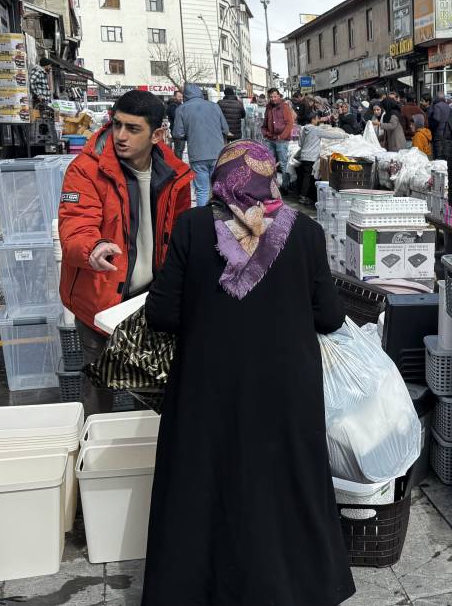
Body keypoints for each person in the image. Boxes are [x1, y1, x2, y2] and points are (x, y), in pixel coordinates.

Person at [142, 140, 355, 606]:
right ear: (269, 176)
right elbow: (330, 317)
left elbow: (160, 313)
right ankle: (295, 587)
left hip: (206, 388)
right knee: (285, 483)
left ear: (221, 179)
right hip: (286, 390)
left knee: (204, 483)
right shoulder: (305, 233)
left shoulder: (193, 228)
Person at [60, 90, 193, 414]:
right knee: (98, 384)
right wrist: (93, 247)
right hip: (99, 298)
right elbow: (75, 224)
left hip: (149, 298)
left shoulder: (175, 174)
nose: (120, 136)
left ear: (157, 134)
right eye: (117, 125)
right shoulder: (86, 169)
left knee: (150, 381)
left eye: (133, 129)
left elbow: (179, 234)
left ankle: (142, 453)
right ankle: (97, 454)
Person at [172, 84, 227, 206]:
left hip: (197, 154)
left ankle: (202, 220)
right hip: (217, 153)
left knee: (202, 190)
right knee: (218, 189)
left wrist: (190, 133)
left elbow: (177, 133)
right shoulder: (214, 106)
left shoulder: (182, 109)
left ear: (185, 95)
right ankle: (221, 218)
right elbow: (225, 128)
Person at [295, 106, 346, 205]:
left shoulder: (302, 129)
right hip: (312, 157)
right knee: (308, 178)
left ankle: (301, 195)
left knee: (304, 175)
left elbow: (300, 144)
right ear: (313, 120)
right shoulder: (316, 130)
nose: (318, 120)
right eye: (317, 118)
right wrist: (344, 136)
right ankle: (304, 197)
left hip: (304, 156)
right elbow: (330, 135)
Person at [261, 88, 295, 172]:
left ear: (279, 96)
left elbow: (289, 123)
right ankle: (272, 182)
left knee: (283, 163)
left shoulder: (284, 107)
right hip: (270, 139)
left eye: (275, 96)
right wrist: (265, 132)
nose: (273, 99)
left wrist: (281, 136)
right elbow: (265, 122)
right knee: (270, 163)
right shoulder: (268, 107)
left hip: (281, 140)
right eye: (271, 97)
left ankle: (285, 184)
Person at [429, 93, 452, 159]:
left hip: (438, 132)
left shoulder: (436, 106)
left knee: (438, 152)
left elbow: (436, 118)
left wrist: (432, 126)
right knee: (445, 150)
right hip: (447, 132)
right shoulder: (448, 106)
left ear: (437, 98)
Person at [166, 89, 185, 157]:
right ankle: (178, 165)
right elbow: (176, 117)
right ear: (174, 97)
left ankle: (178, 164)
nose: (181, 98)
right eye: (179, 96)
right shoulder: (173, 106)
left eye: (181, 96)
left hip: (180, 130)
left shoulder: (179, 105)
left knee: (180, 149)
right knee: (179, 150)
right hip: (177, 131)